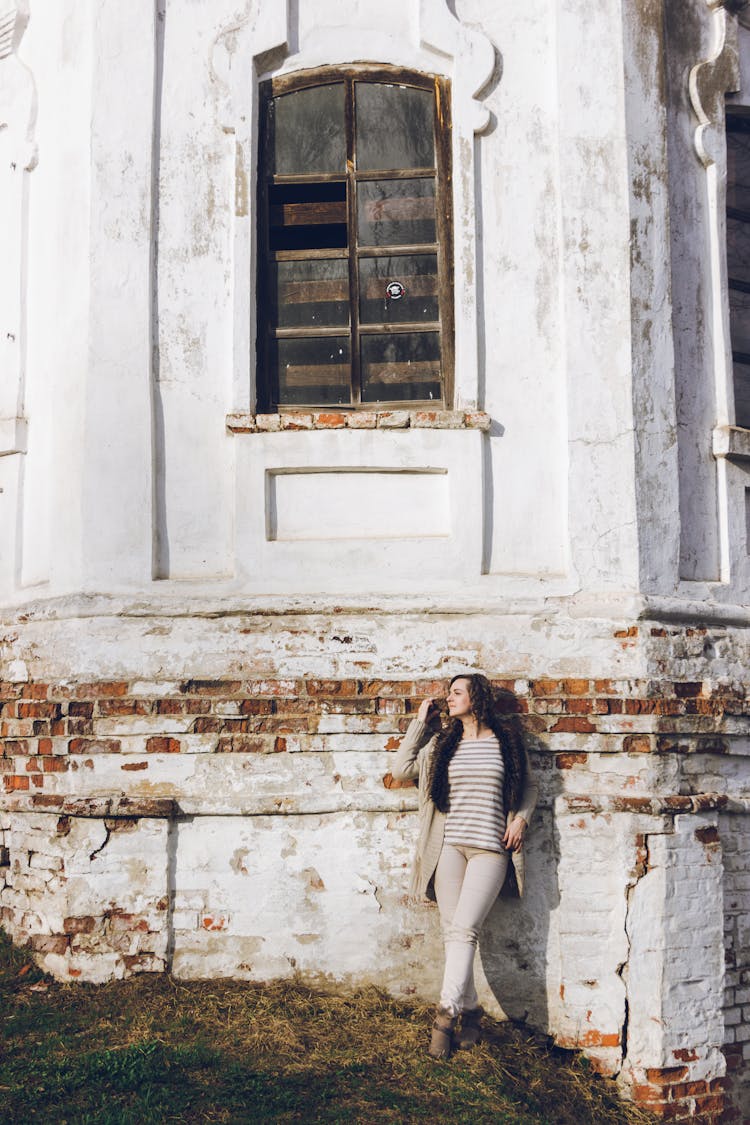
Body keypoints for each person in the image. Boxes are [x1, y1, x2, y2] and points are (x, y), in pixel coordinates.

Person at [391, 673, 538, 1059]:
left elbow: (529, 787)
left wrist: (520, 818)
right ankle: (472, 1012)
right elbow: (402, 768)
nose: (449, 698)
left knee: (465, 929)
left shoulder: (505, 741)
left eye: (456, 692)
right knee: (454, 932)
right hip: (449, 848)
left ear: (477, 697)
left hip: (491, 849)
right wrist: (421, 724)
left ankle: (445, 1016)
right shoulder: (442, 743)